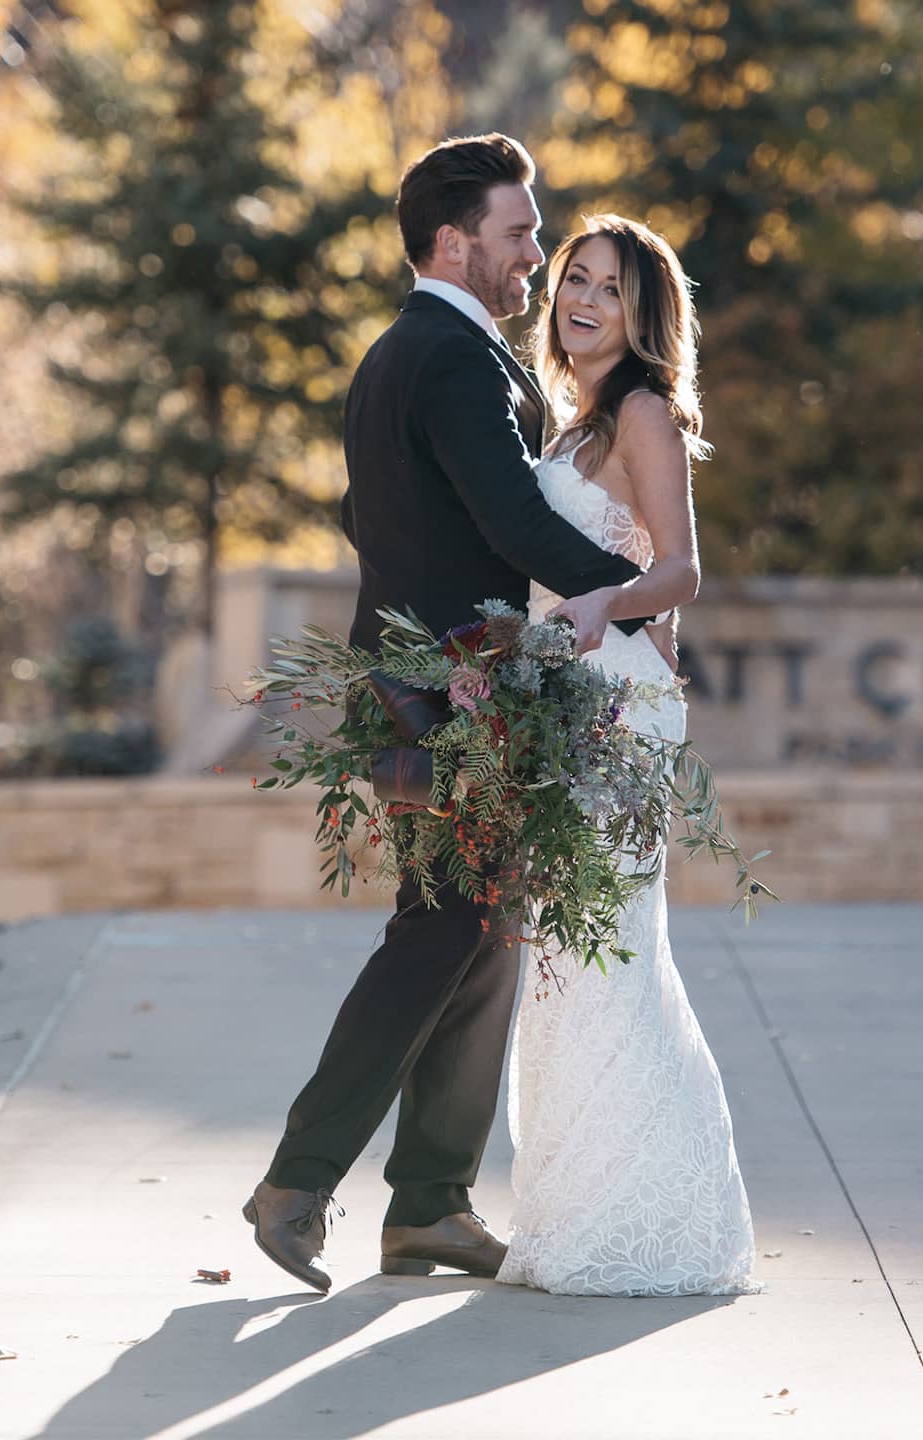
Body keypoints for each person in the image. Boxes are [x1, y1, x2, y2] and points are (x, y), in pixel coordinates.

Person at [242, 134, 663, 1293]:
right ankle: (297, 1179)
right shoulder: (449, 359)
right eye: (521, 232)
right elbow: (521, 530)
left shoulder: (412, 353)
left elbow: (367, 511)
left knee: (482, 930)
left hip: (439, 683)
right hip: (449, 700)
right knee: (442, 927)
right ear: (453, 241)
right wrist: (639, 616)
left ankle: (429, 1204)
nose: (538, 252)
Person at [498, 214, 758, 1296]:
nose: (582, 300)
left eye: (608, 285)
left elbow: (684, 572)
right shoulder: (565, 430)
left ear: (646, 311)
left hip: (622, 700)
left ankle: (651, 1218)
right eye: (573, 280)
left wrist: (606, 599)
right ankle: (571, 1212)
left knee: (609, 950)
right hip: (566, 693)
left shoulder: (643, 412)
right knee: (564, 958)